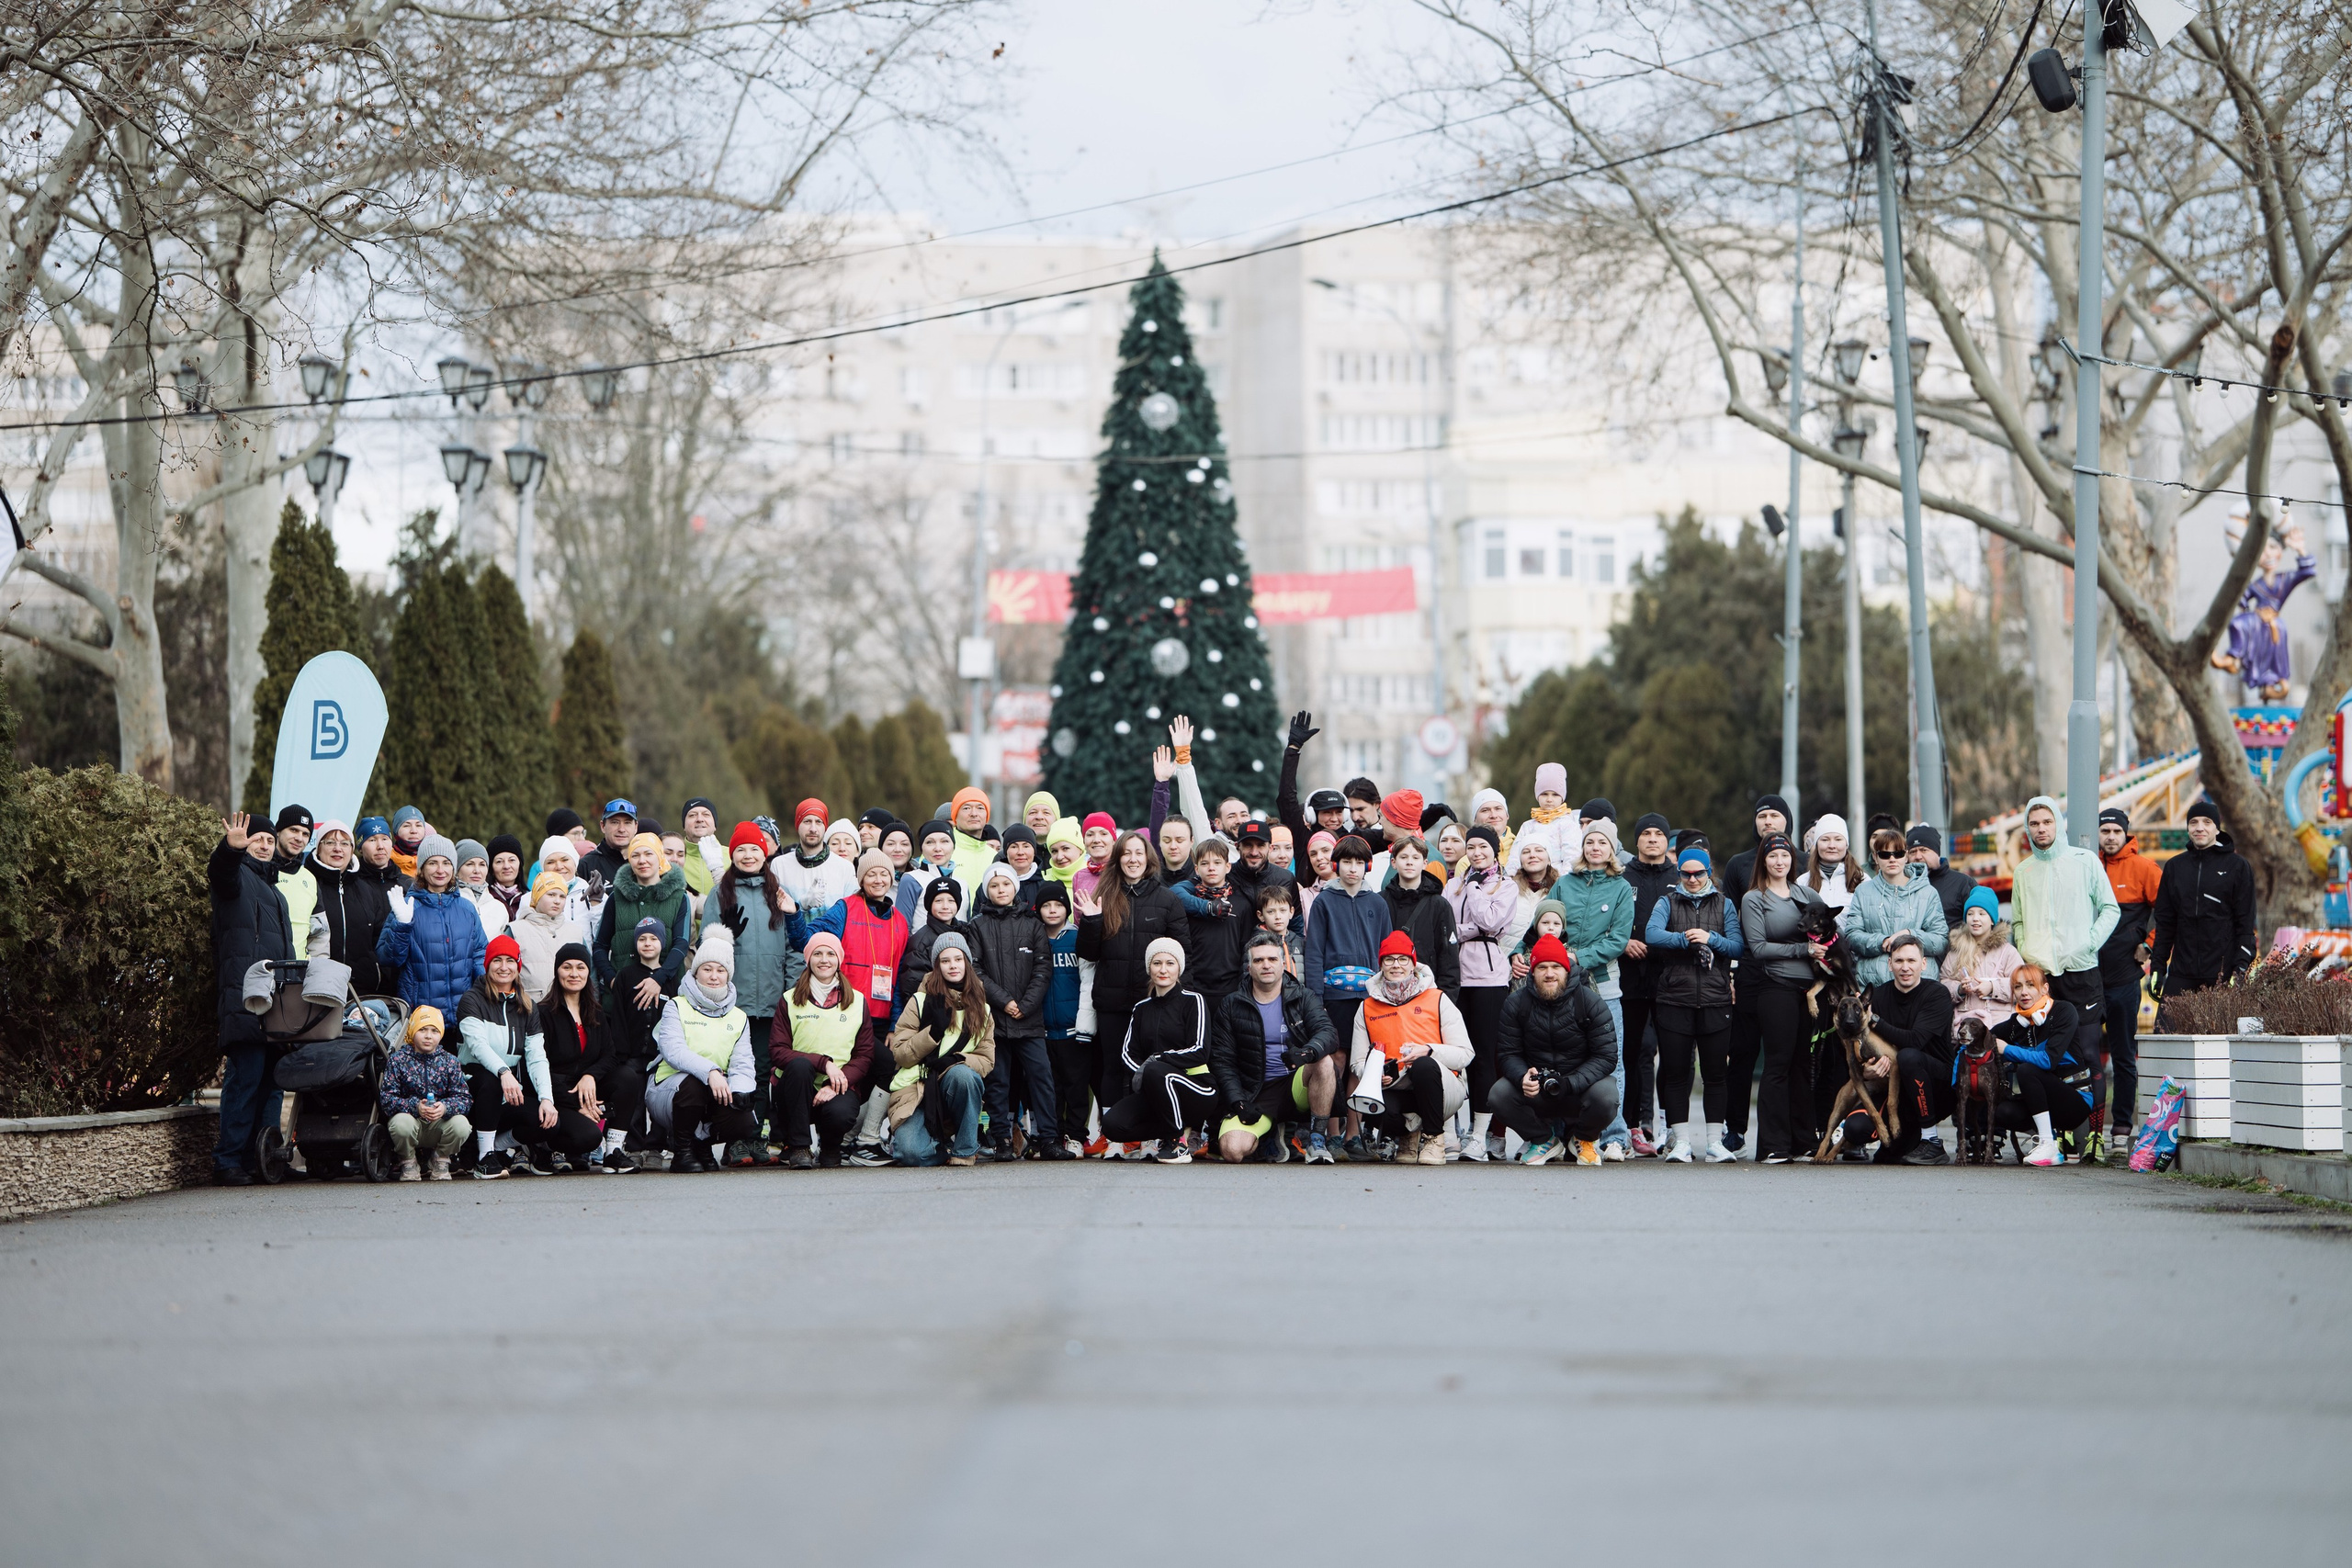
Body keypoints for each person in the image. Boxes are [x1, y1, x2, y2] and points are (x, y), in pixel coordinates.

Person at [1074, 832, 1191, 1150]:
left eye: (1139, 853)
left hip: (1153, 1003)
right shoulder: (1104, 895)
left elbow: (1183, 954)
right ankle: (1114, 1136)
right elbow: (1088, 953)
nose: (1133, 859)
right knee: (1112, 1066)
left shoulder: (1167, 899)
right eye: (1126, 853)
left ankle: (1150, 1133)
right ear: (1118, 858)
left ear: (1149, 858)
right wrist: (1092, 921)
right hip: (1112, 1001)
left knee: (1149, 1069)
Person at [2009, 796, 2120, 1129]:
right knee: (2051, 1059)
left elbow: (2110, 909)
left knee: (2088, 1057)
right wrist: (2028, 952)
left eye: (2047, 822)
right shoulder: (2023, 871)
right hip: (2043, 980)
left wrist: (2088, 945)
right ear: (2027, 829)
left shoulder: (2085, 861)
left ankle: (2097, 1134)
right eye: (2034, 824)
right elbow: (2017, 923)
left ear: (2058, 823)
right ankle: (2061, 1133)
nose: (2041, 829)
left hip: (2082, 973)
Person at [207, 811, 293, 1185]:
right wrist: (230, 850)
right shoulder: (237, 878)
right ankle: (228, 1162)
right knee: (245, 1079)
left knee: (272, 1084)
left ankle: (265, 1159)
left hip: (276, 1005)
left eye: (269, 841)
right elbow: (220, 873)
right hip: (244, 1000)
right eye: (258, 839)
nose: (264, 845)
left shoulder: (276, 892)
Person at [1645, 843, 1745, 1163]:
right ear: (1679, 873)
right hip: (1675, 999)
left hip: (1715, 999)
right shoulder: (1667, 901)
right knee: (1675, 1073)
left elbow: (1737, 946)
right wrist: (1687, 938)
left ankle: (1715, 1142)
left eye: (1697, 873)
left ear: (1708, 872)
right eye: (1685, 873)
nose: (1691, 879)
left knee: (1716, 1074)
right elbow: (1652, 935)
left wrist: (1711, 939)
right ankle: (1682, 1142)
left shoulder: (1724, 903)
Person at [704, 820, 794, 1166]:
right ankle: (734, 1140)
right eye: (740, 849)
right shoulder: (721, 893)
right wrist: (725, 934)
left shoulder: (779, 892)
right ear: (732, 854)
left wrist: (788, 991)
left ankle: (756, 1137)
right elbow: (708, 948)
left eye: (754, 848)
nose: (747, 855)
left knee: (762, 1070)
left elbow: (792, 946)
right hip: (734, 1002)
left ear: (765, 852)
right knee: (734, 1070)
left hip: (772, 999)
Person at [1734, 831, 1826, 1165]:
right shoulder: (1754, 899)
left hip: (1811, 992)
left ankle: (1803, 1141)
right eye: (1772, 856)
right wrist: (1803, 949)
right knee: (1778, 1065)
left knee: (1804, 1066)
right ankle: (1773, 1145)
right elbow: (1758, 948)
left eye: (1784, 856)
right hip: (1775, 989)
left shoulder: (1807, 893)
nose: (1779, 861)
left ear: (1792, 860)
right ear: (1764, 860)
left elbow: (1829, 932)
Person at [1209, 931, 1341, 1163]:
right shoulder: (1231, 1004)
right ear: (1249, 968)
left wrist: (1307, 1052)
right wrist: (1237, 1101)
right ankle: (1270, 1133)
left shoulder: (1303, 996)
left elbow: (1328, 1033)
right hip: (1256, 1090)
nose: (1266, 965)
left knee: (1323, 1060)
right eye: (1258, 960)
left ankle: (1317, 1140)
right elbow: (1222, 1060)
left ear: (1283, 964)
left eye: (1271, 959)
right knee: (1232, 1150)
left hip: (1296, 1083)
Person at [1490, 935, 1621, 1166]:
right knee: (1499, 1095)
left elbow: (1606, 1056)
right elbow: (1508, 1053)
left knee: (1607, 1096)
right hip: (1538, 1088)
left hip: (1579, 1088)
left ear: (1567, 970)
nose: (1549, 973)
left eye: (1555, 967)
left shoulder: (1590, 1001)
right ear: (1532, 972)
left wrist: (1571, 1083)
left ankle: (1583, 1139)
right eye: (1542, 967)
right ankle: (1543, 1140)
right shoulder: (1516, 1003)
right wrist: (1523, 1077)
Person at [1346, 931, 1474, 1165]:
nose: (1396, 965)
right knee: (1374, 1104)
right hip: (1395, 1086)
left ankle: (1434, 1138)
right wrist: (1375, 1074)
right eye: (1389, 959)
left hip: (1442, 1086)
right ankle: (1407, 1135)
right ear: (1381, 964)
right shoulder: (1366, 1007)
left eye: (1403, 959)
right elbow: (1357, 1063)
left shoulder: (1437, 998)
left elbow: (1466, 1053)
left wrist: (1429, 1050)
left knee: (1424, 1066)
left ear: (1413, 963)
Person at [1830, 936, 1958, 1164]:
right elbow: (1858, 1042)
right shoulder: (1878, 996)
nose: (1905, 967)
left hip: (1937, 1087)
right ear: (1890, 964)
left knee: (1907, 1057)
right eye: (1899, 961)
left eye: (1911, 960)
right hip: (1895, 1089)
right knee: (1857, 1130)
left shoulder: (1937, 994)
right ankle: (1908, 1138)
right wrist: (1865, 1069)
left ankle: (1932, 1142)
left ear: (1924, 963)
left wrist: (1875, 1020)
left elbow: (1916, 1040)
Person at [1555, 817, 1635, 1157]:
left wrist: (1577, 956)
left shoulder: (1619, 888)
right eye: (1590, 842)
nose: (1595, 848)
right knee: (1562, 1059)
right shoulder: (1564, 883)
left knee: (1611, 1061)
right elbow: (1547, 923)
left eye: (1602, 842)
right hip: (1562, 985)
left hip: (1604, 986)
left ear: (1612, 848)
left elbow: (1618, 940)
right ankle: (1560, 1137)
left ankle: (1616, 1136)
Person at [1095, 938, 1217, 1163]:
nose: (1163, 970)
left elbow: (1200, 1051)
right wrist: (1149, 1069)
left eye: (1170, 963)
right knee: (1113, 1125)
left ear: (1179, 968)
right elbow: (1127, 1054)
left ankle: (1176, 1142)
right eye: (1157, 963)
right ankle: (1166, 1134)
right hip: (1155, 1090)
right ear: (1148, 968)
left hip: (1197, 1088)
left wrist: (1157, 1061)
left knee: (1156, 1069)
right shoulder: (1141, 1008)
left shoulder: (1194, 1001)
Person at [452, 932, 563, 1178]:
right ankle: (483, 1159)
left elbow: (536, 1057)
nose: (504, 967)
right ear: (488, 965)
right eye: (497, 960)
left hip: (505, 1091)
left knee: (548, 1123)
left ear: (518, 965)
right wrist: (503, 1071)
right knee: (490, 1081)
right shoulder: (472, 999)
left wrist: (547, 1099)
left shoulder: (528, 1006)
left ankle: (495, 1149)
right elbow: (478, 1046)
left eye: (510, 961)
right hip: (472, 1087)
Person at [767, 931, 880, 1168]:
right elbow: (778, 1050)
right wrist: (823, 1063)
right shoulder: (789, 999)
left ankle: (830, 1145)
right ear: (808, 959)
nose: (824, 960)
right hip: (796, 1088)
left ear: (839, 959)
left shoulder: (857, 1001)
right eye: (817, 954)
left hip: (838, 1085)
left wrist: (837, 1082)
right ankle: (799, 1147)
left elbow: (864, 1054)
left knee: (841, 1113)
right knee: (799, 1066)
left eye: (830, 954)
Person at [649, 935, 761, 1173]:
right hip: (670, 1091)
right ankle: (682, 1150)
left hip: (716, 1089)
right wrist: (710, 1071)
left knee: (744, 1118)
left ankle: (702, 1144)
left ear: (728, 975)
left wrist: (741, 1088)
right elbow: (673, 1050)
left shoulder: (739, 1017)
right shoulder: (676, 1005)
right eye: (707, 969)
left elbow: (743, 1061)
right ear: (695, 972)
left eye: (720, 970)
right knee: (693, 1084)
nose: (713, 976)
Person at [883, 933, 995, 1167]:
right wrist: (932, 1033)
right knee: (910, 1155)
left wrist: (956, 1059)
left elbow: (986, 1060)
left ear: (967, 962)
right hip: (915, 1089)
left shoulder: (983, 1009)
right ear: (937, 966)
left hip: (952, 1085)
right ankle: (940, 1147)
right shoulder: (919, 1001)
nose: (953, 965)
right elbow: (901, 1055)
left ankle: (965, 1151)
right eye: (945, 961)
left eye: (958, 959)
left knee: (964, 1075)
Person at [971, 860, 1058, 1160]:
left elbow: (1043, 968)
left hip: (1029, 1019)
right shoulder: (978, 926)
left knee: (1041, 1078)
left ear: (1015, 887)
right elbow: (975, 969)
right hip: (995, 1019)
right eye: (994, 886)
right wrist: (1004, 1001)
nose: (1000, 890)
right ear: (987, 891)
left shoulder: (1032, 924)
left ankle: (1048, 1139)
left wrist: (1025, 1004)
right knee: (998, 1082)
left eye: (1006, 884)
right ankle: (1002, 1141)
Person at [1444, 824, 1517, 1161]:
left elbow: (1489, 922)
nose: (1475, 853)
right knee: (1456, 1055)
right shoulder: (1453, 885)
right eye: (1470, 847)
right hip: (1455, 978)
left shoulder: (1505, 886)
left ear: (1494, 850)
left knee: (1485, 1056)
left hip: (1488, 979)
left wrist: (1474, 890)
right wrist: (1463, 928)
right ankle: (1451, 1131)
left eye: (1482, 847)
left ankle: (1480, 1133)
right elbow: (1444, 927)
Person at [2096, 808, 2163, 1143]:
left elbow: (2169, 913)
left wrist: (2148, 947)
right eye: (2104, 830)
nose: (2109, 836)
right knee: (2083, 1054)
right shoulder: (2089, 866)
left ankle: (2122, 1126)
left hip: (2124, 978)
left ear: (2126, 834)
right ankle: (2085, 1130)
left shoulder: (2144, 869)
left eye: (2115, 831)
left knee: (2123, 1054)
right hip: (2089, 979)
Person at [2150, 799, 2257, 998]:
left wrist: (2240, 968)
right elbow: (2165, 924)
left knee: (2220, 1030)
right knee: (2166, 1030)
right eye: (2194, 822)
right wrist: (2158, 966)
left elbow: (2245, 923)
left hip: (2221, 974)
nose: (2200, 828)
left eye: (2207, 822)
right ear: (2188, 828)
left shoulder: (2238, 866)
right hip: (2181, 972)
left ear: (2217, 829)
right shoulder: (2174, 867)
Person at [533, 942, 626, 1172]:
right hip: (557, 1096)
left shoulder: (595, 1011)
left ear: (588, 972)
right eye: (567, 967)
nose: (574, 974)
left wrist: (590, 1076)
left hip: (587, 1089)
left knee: (627, 1078)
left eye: (581, 967)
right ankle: (541, 1147)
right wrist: (578, 1103)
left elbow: (610, 1055)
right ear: (557, 971)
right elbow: (537, 1066)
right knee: (589, 1137)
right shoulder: (543, 1012)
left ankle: (614, 1150)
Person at [1988, 963, 2092, 1167]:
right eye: (2018, 987)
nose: (2024, 992)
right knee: (2001, 1112)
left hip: (2075, 1101)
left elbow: (2048, 1060)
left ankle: (2048, 1145)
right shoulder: (2016, 1023)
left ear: (2044, 989)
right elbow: (1982, 1036)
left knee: (2029, 1069)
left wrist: (2007, 1049)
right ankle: (2049, 1137)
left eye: (2030, 985)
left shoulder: (2064, 1011)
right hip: (2040, 1100)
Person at [375, 834, 488, 1019]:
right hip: (422, 1018)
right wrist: (402, 925)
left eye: (446, 863)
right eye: (432, 863)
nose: (440, 870)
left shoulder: (467, 909)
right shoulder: (407, 907)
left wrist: (485, 991)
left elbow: (480, 954)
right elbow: (389, 958)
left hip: (464, 1013)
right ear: (422, 868)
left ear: (453, 867)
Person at [1618, 812, 1678, 1155]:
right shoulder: (1623, 876)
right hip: (1629, 978)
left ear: (1666, 841)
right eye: (1646, 833)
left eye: (1659, 833)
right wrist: (1624, 941)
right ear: (1637, 840)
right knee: (1630, 1053)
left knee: (1673, 1055)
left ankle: (1673, 1127)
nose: (1652, 838)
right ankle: (1630, 1128)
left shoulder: (1680, 877)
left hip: (1670, 979)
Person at [1841, 826, 1951, 988]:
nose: (1892, 859)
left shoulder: (1928, 893)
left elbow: (1940, 940)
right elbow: (1852, 935)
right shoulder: (1863, 891)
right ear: (1876, 858)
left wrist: (1908, 935)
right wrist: (1883, 941)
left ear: (1906, 856)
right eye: (1885, 855)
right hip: (1873, 984)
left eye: (1898, 853)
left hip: (1920, 984)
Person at [1035, 884, 1098, 1156]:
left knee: (1076, 1086)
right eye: (1047, 906)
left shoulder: (1076, 938)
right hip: (1044, 1029)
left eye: (1058, 905)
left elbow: (1088, 982)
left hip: (1073, 1028)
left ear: (1067, 910)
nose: (1052, 910)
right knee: (1051, 1087)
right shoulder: (1033, 938)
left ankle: (1075, 1135)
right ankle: (1053, 1136)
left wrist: (1085, 1023)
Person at [591, 832, 693, 998]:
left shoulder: (679, 898)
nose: (642, 860)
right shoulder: (616, 898)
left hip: (666, 992)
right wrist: (612, 980)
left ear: (660, 857)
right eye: (635, 855)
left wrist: (659, 979)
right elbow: (599, 945)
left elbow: (681, 944)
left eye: (648, 854)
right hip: (622, 996)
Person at [304, 819, 396, 998]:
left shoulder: (365, 889)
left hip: (363, 993)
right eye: (330, 842)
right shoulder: (307, 883)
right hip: (317, 990)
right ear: (319, 848)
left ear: (352, 849)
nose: (338, 848)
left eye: (345, 843)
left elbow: (378, 941)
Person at [379, 1005, 472, 1181]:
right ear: (413, 1030)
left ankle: (441, 1159)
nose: (429, 1036)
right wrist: (415, 1106)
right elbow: (387, 1098)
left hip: (439, 1124)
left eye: (434, 1031)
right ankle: (408, 1161)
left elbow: (464, 1098)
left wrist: (445, 1107)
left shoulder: (449, 1061)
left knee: (462, 1125)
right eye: (422, 1029)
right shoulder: (398, 1059)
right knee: (401, 1123)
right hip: (412, 1122)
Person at [607, 918, 673, 1154]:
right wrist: (621, 1051)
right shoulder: (625, 975)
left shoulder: (669, 978)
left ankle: (656, 1147)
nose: (647, 943)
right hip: (633, 1053)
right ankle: (634, 1148)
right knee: (633, 1102)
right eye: (642, 939)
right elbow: (618, 1015)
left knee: (657, 1101)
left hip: (661, 1055)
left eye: (654, 938)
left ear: (662, 943)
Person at [1170, 835, 1255, 1002]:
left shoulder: (1241, 904)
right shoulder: (1189, 903)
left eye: (1217, 863)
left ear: (1228, 867)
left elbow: (1246, 949)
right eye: (1204, 863)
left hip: (1231, 989)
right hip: (1194, 987)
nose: (1211, 868)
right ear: (1196, 869)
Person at [1379, 834, 1461, 998]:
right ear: (1393, 863)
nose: (1409, 862)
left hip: (1427, 991)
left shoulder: (1439, 905)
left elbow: (1448, 958)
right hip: (1384, 991)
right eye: (1404, 857)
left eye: (1415, 857)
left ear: (1425, 864)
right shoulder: (1380, 901)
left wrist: (1444, 1001)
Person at [1942, 886, 2021, 1032]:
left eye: (1982, 913)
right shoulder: (1955, 952)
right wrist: (1959, 989)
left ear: (1992, 920)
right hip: (1964, 1029)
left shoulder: (2008, 952)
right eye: (1970, 914)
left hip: (1999, 1029)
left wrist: (1992, 987)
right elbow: (1942, 984)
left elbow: (2022, 985)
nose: (1975, 919)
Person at [896, 875, 978, 1002]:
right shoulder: (921, 941)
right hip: (937, 1008)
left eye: (951, 901)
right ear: (929, 904)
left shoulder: (966, 932)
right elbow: (912, 986)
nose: (945, 906)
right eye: (938, 901)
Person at [510, 873, 587, 1003]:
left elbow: (589, 973)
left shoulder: (576, 932)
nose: (557, 901)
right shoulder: (515, 930)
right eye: (551, 895)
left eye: (562, 896)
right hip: (527, 1008)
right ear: (537, 896)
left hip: (566, 1009)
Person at [1513, 762, 1581, 881]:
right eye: (1544, 794)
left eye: (1555, 795)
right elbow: (1515, 855)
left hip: (1557, 883)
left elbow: (1572, 858)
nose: (1549, 799)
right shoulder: (1528, 826)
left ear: (1562, 797)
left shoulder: (1568, 825)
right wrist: (1511, 878)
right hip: (1528, 882)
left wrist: (1562, 884)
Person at [1905, 825, 1979, 932]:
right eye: (1913, 852)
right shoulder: (1902, 885)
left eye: (1924, 850)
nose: (1918, 856)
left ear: (1937, 853)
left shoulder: (1963, 883)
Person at [268, 805, 318, 960]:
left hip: (299, 974)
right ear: (278, 831)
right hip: (266, 972)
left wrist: (314, 971)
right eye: (293, 830)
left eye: (305, 834)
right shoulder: (261, 869)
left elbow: (320, 934)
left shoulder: (309, 878)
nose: (299, 838)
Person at [452, 839, 509, 942]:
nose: (477, 871)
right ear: (457, 869)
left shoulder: (499, 908)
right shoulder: (449, 902)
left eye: (482, 864)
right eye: (470, 864)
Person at [1800, 814, 1860, 909]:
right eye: (1825, 840)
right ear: (1817, 844)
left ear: (1846, 844)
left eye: (1838, 839)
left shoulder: (1862, 880)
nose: (1832, 845)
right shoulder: (1802, 882)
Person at [1253, 881, 1305, 981]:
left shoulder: (1300, 942)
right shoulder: (1254, 944)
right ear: (1261, 915)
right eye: (1271, 912)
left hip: (1299, 995)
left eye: (1283, 910)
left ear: (1291, 912)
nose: (1278, 917)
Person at [582, 798, 638, 885]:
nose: (621, 829)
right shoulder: (586, 866)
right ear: (603, 826)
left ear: (636, 827)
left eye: (627, 823)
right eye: (615, 822)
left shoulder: (644, 864)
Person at [678, 797, 723, 901]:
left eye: (706, 814)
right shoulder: (673, 856)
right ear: (684, 825)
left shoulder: (732, 856)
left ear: (715, 824)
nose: (699, 819)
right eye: (692, 815)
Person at [356, 816, 409, 892]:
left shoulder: (407, 884)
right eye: (372, 840)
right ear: (360, 848)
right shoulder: (352, 885)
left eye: (384, 839)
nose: (380, 846)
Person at [485, 834, 528, 922]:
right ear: (491, 868)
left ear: (520, 865)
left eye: (512, 860)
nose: (506, 866)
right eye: (499, 861)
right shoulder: (485, 899)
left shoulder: (529, 900)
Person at [388, 805, 429, 879]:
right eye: (406, 826)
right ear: (396, 831)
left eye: (418, 825)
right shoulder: (385, 862)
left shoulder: (434, 860)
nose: (414, 831)